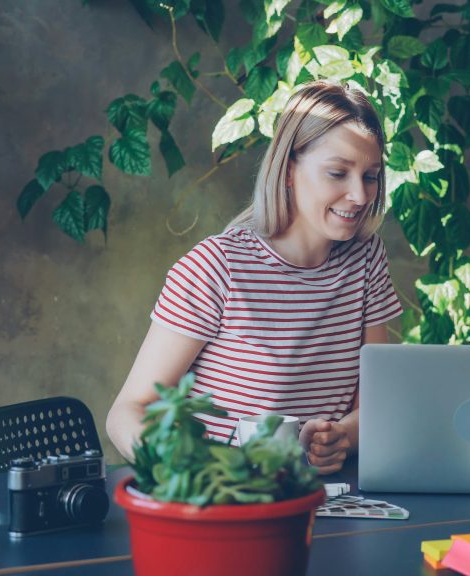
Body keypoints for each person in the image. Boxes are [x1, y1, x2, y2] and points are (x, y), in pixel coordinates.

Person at [107, 80, 402, 474]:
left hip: (321, 499)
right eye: (337, 173)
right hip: (225, 498)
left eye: (370, 176)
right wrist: (192, 474)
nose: (360, 196)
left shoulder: (366, 261)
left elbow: (376, 404)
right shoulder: (216, 266)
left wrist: (342, 437)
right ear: (289, 171)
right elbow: (128, 412)